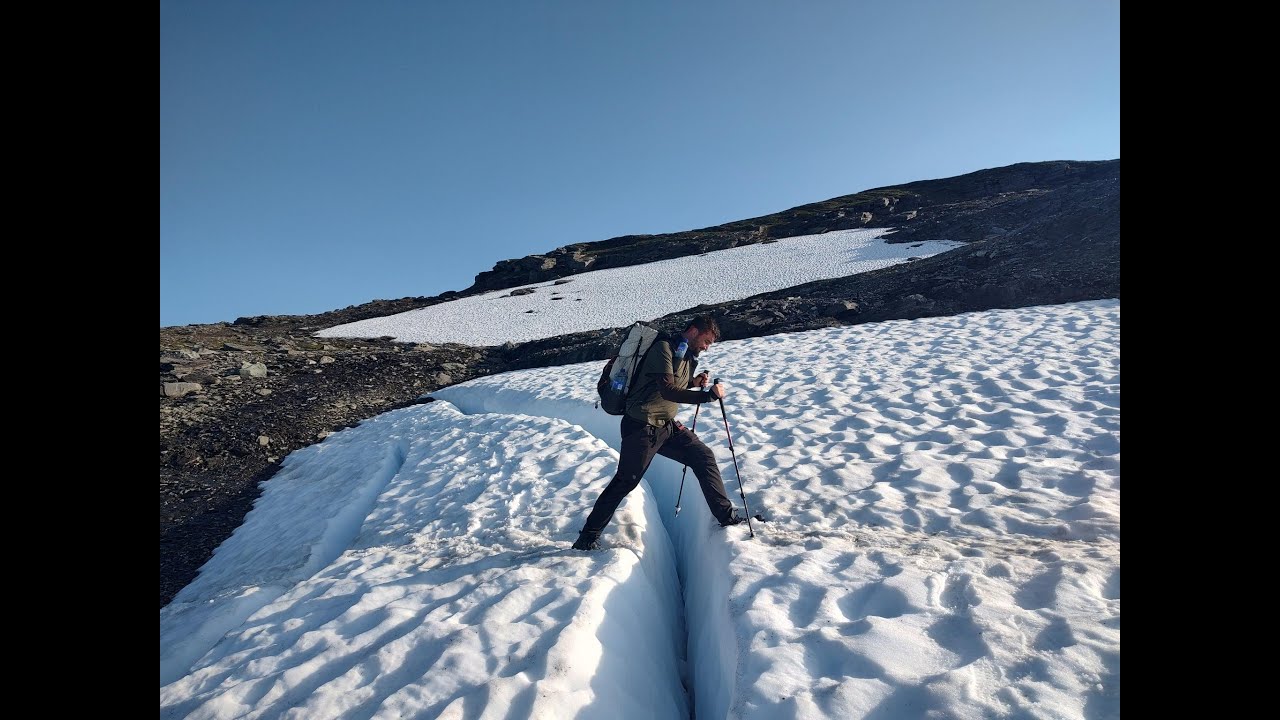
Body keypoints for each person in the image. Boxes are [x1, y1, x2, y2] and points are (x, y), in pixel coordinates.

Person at [572, 315, 746, 551]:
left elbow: (676, 385)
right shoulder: (663, 348)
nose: (706, 347)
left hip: (666, 426)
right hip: (641, 427)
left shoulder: (685, 355)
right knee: (626, 482)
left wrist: (694, 381)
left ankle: (727, 517)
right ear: (694, 331)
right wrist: (708, 396)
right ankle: (587, 538)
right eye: (706, 341)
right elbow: (667, 390)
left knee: (703, 457)